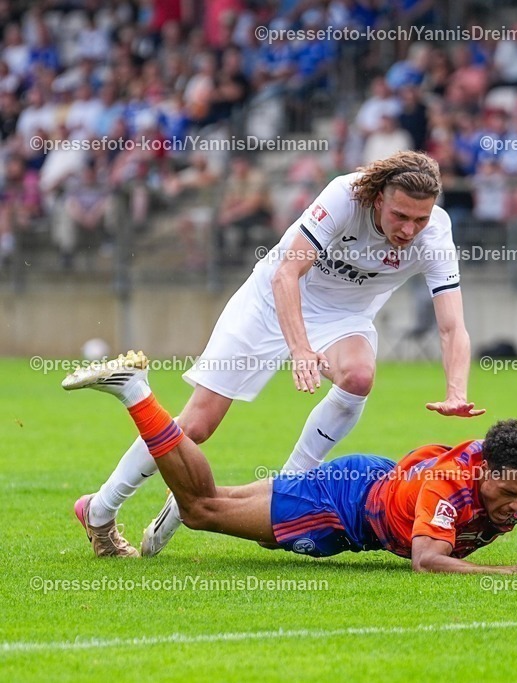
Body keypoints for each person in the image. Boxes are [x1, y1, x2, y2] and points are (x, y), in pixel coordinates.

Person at [76, 150, 484, 558]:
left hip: (342, 318)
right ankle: (99, 510)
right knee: (197, 425)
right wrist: (300, 348)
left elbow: (452, 325)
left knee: (359, 376)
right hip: (269, 303)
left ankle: (288, 487)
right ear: (379, 199)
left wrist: (456, 391)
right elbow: (287, 273)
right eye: (400, 216)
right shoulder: (344, 197)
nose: (409, 229)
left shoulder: (435, 234)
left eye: (420, 219)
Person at [65, 353, 517, 574]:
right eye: (508, 495)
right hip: (342, 508)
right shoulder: (451, 484)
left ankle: (156, 495)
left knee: (209, 501)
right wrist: (510, 571)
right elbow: (427, 561)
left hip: (373, 478)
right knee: (202, 509)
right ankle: (135, 392)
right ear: (484, 471)